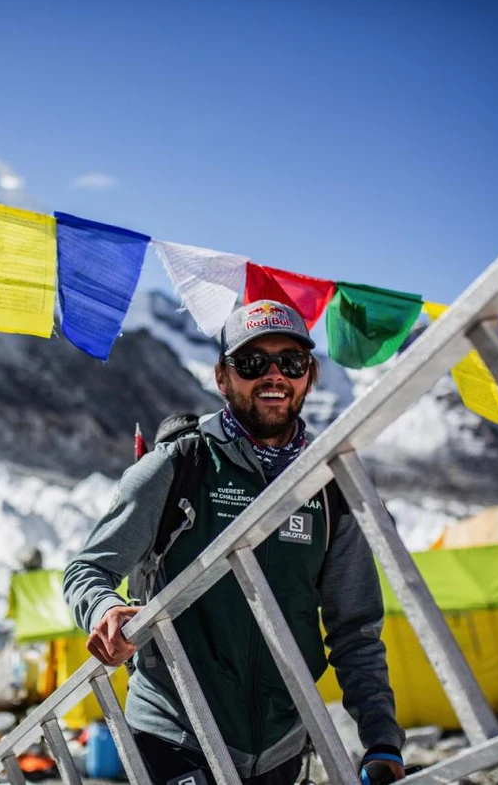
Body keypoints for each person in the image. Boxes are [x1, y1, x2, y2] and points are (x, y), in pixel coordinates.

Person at [63, 300, 407, 785]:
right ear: (222, 378)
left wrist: (381, 739)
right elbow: (87, 570)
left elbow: (355, 629)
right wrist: (104, 611)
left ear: (308, 375)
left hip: (283, 743)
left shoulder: (329, 486)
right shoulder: (179, 464)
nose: (273, 376)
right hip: (175, 733)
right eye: (251, 363)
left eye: (289, 363)